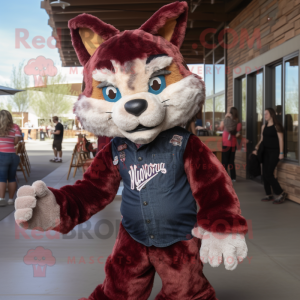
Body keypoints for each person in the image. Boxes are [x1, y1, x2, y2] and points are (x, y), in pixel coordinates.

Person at [253, 108, 287, 204]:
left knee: (268, 173)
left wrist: (281, 153)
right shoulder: (264, 126)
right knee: (265, 174)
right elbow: (262, 139)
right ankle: (269, 195)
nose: (265, 115)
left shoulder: (277, 126)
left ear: (271, 114)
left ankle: (281, 193)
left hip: (274, 152)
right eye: (264, 114)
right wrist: (257, 146)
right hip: (265, 152)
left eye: (266, 114)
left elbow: (281, 140)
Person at [0, 110, 22, 206]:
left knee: (2, 178)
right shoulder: (15, 127)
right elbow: (16, 142)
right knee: (12, 178)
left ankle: (1, 199)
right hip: (13, 155)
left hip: (2, 155)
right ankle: (11, 200)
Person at [219, 107, 241, 182]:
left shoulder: (225, 121)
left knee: (224, 161)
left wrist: (225, 117)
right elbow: (238, 130)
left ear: (230, 113)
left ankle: (224, 176)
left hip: (225, 142)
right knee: (231, 161)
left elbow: (221, 128)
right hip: (233, 143)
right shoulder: (238, 122)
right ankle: (233, 177)